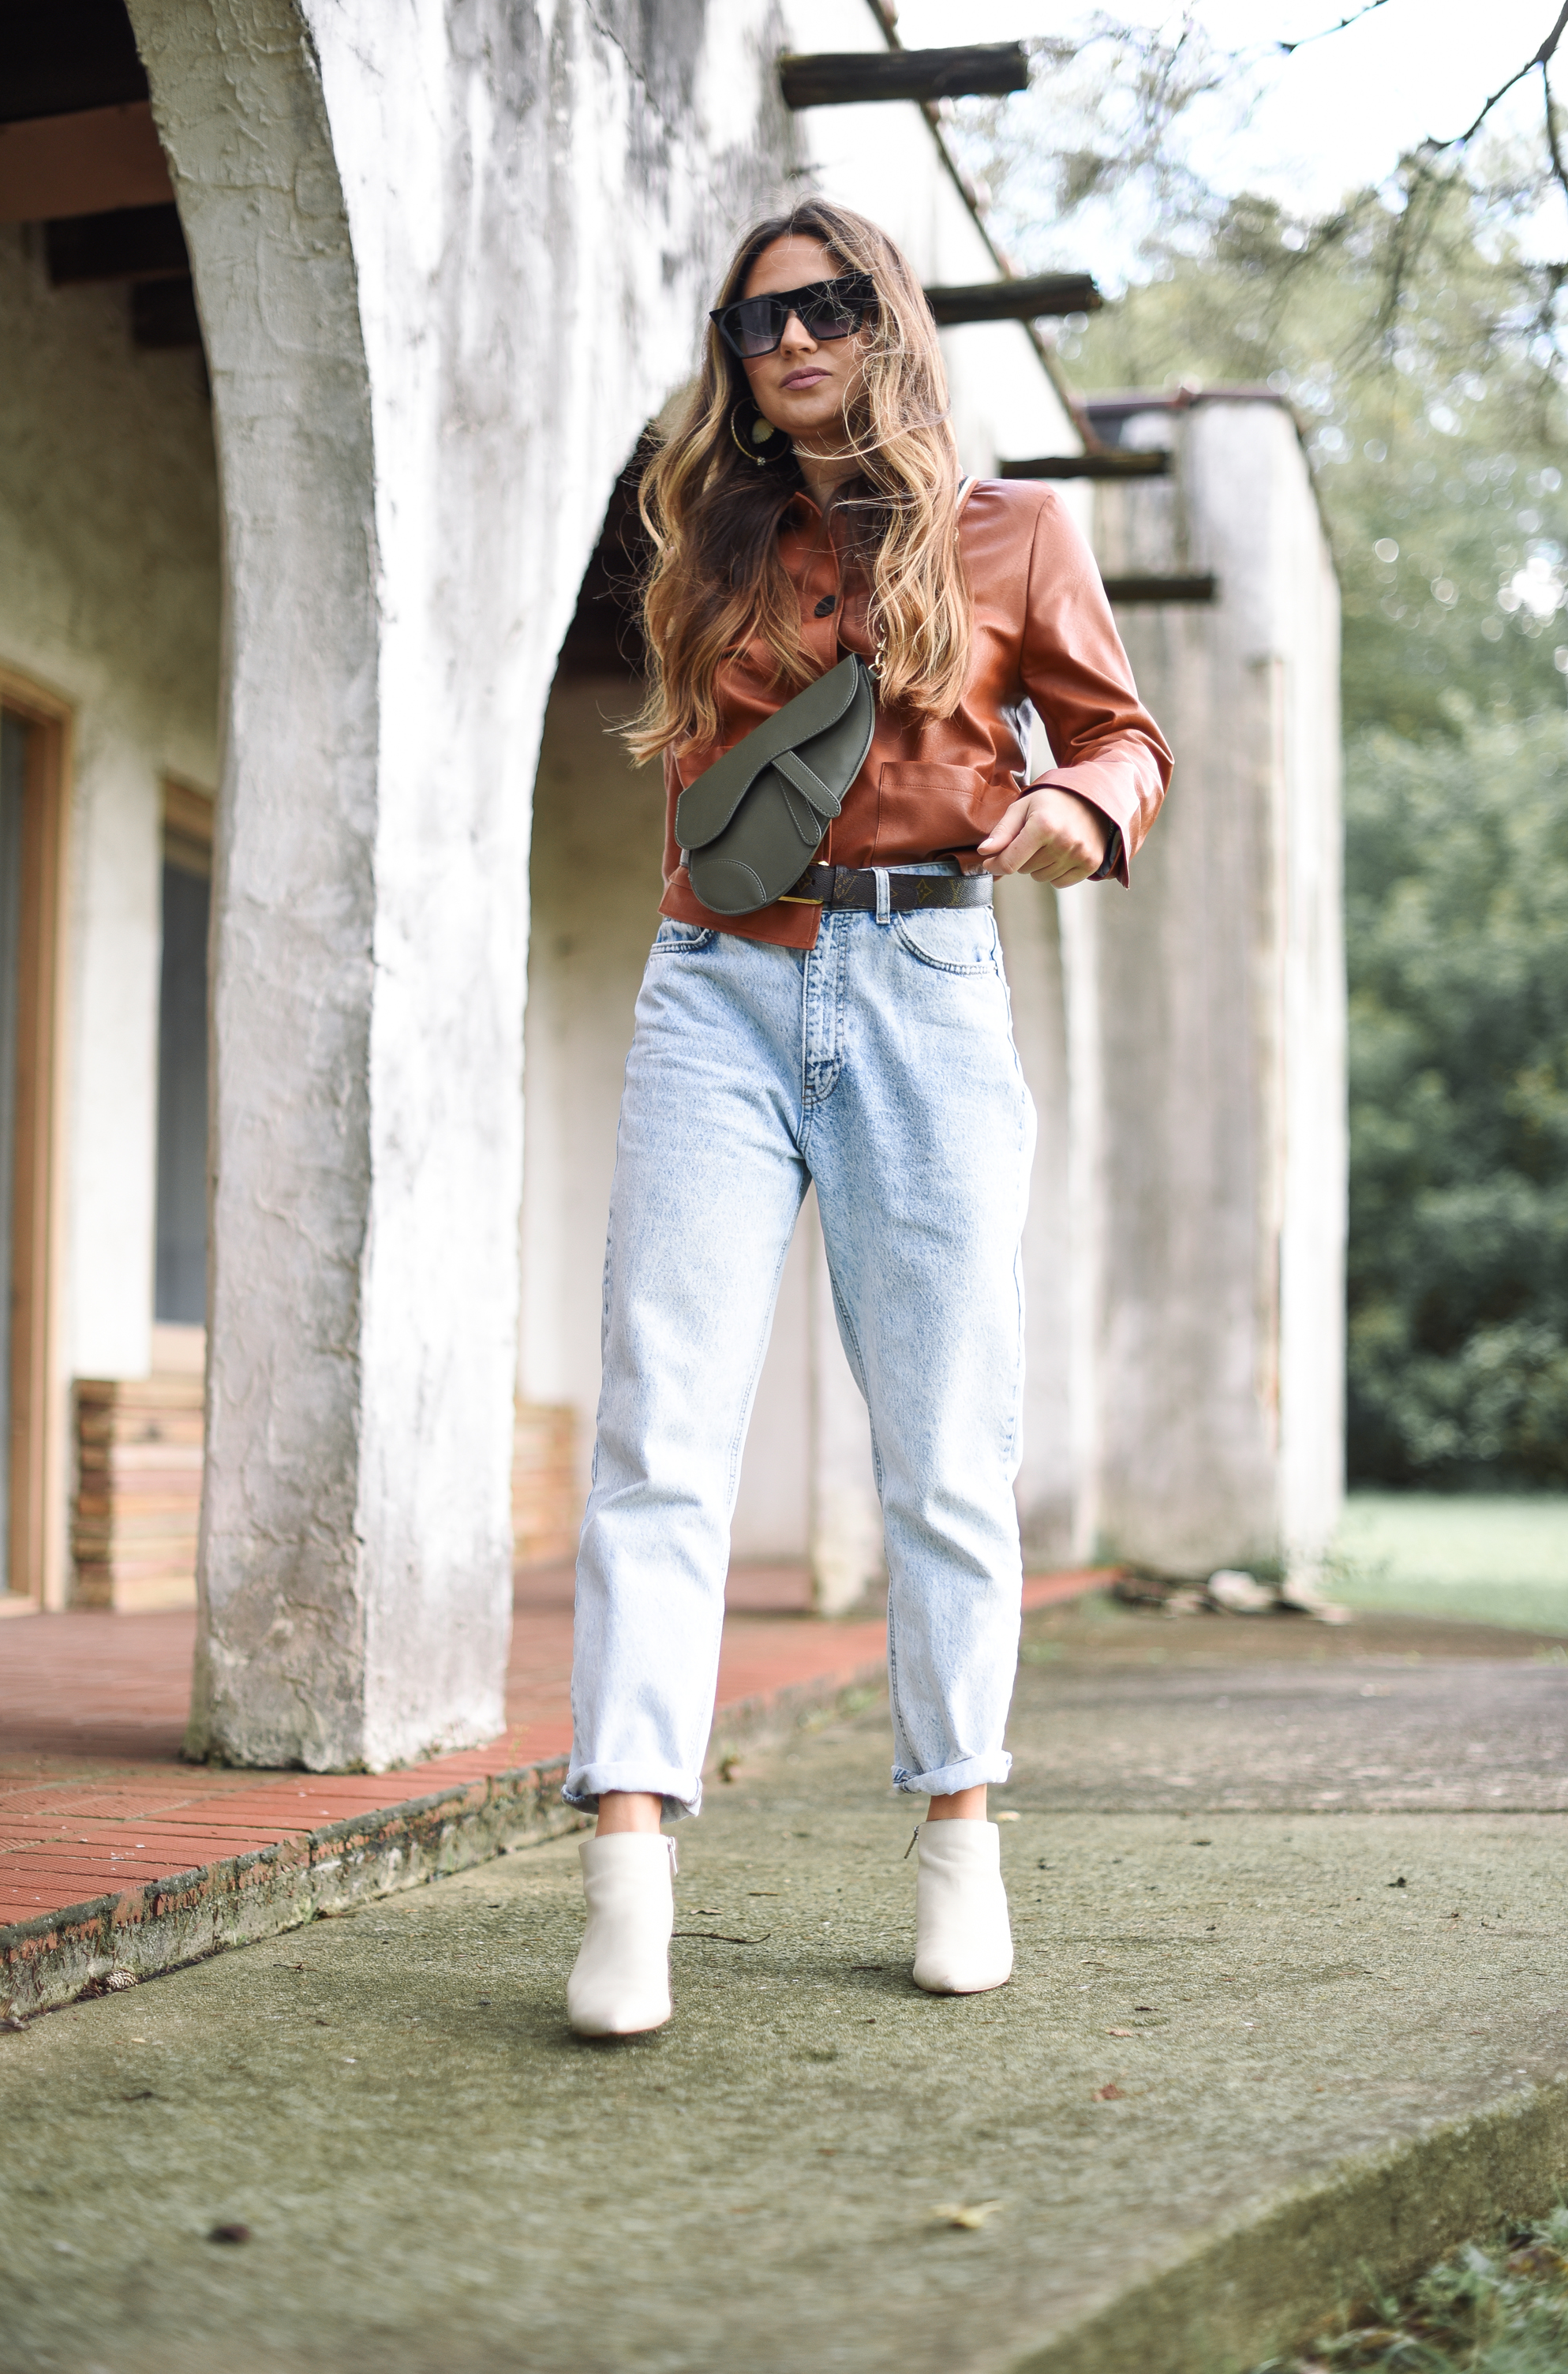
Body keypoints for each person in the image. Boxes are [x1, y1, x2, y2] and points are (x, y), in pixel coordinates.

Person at [562, 199, 1172, 2036]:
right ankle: (626, 1873)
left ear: (883, 319)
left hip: (925, 987)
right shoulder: (707, 539)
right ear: (733, 364)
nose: (794, 341)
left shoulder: (1012, 535)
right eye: (758, 324)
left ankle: (957, 1840)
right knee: (663, 1432)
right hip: (720, 990)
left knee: (942, 1450)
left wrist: (1077, 806)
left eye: (826, 308)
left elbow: (1123, 733)